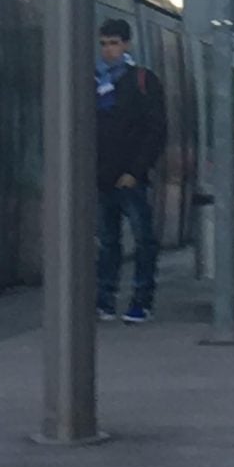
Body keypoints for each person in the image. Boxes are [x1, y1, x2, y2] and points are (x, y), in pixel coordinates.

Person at [94, 17, 167, 323]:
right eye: (103, 44)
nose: (108, 50)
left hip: (130, 177)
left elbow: (156, 130)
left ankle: (141, 300)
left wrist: (136, 170)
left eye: (113, 43)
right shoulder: (93, 81)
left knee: (142, 240)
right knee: (107, 242)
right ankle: (105, 299)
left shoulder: (142, 80)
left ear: (126, 44)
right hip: (100, 176)